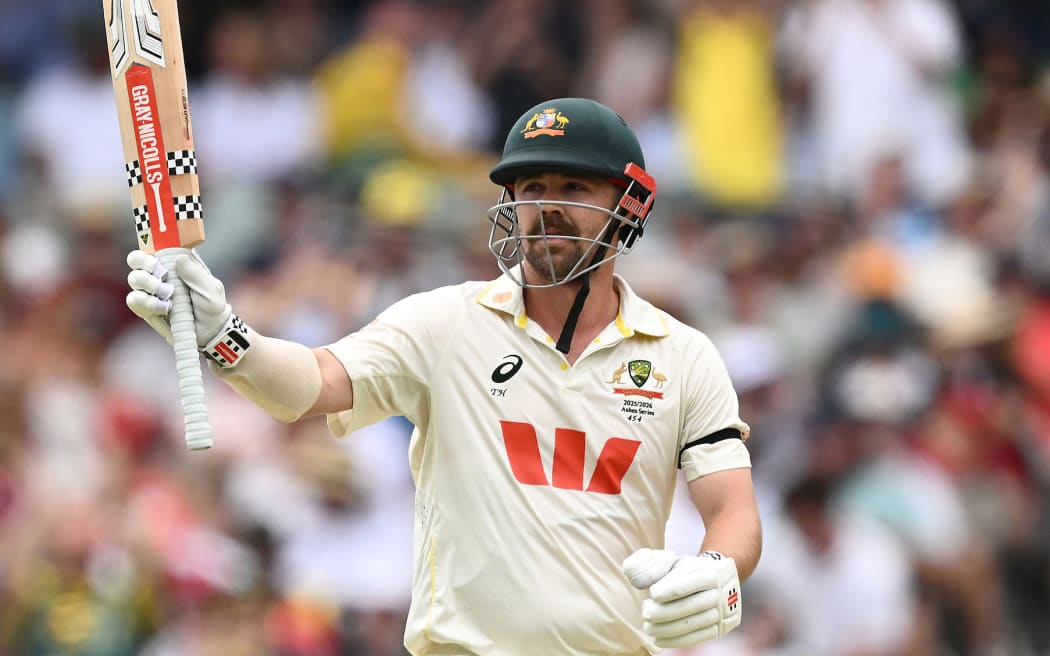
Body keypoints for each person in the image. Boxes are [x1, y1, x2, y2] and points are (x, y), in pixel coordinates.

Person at [125, 97, 762, 655]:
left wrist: (718, 570)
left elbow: (732, 510)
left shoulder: (683, 356)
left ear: (632, 204)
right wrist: (223, 335)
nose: (547, 208)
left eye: (573, 188)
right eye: (531, 187)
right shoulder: (445, 324)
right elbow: (311, 385)